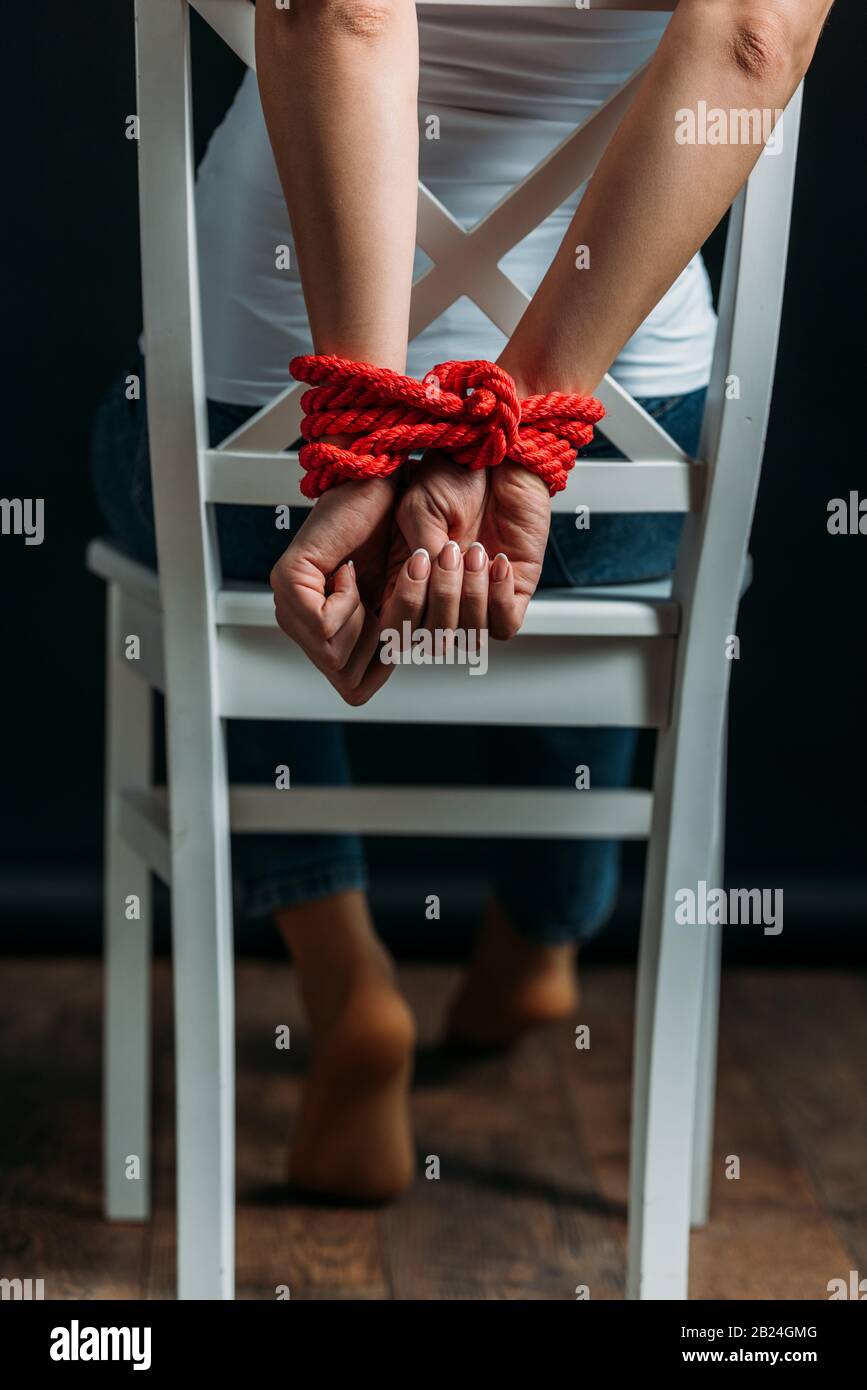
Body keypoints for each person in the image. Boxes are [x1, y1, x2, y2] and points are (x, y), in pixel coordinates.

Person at [92, 0, 830, 1201]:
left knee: (195, 510)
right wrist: (520, 438)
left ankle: (345, 985)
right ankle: (547, 923)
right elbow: (751, 39)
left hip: (268, 425)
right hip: (619, 458)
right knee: (607, 548)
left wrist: (369, 451)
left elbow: (338, 13)